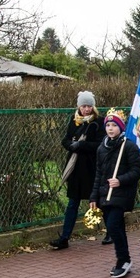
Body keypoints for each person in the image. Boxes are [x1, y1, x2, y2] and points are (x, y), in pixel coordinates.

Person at [89, 109, 140, 278]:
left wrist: (120, 180)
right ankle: (124, 259)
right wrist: (94, 196)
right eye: (108, 125)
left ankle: (124, 260)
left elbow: (136, 171)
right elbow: (98, 174)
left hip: (121, 193)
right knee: (114, 228)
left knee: (113, 225)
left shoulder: (128, 146)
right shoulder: (102, 148)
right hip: (106, 194)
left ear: (121, 127)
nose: (110, 129)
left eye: (114, 125)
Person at [51, 90, 106, 250]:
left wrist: (81, 145)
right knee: (73, 202)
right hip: (75, 169)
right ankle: (64, 237)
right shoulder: (74, 121)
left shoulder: (98, 122)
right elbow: (65, 139)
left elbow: (100, 144)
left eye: (89, 106)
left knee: (99, 202)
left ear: (93, 107)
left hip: (91, 168)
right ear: (79, 106)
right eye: (83, 106)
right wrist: (70, 145)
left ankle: (111, 232)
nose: (86, 109)